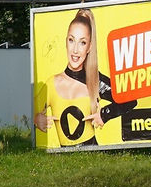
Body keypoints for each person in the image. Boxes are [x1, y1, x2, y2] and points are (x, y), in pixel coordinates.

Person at [33, 8, 136, 146]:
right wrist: (36, 118)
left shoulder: (95, 81)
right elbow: (26, 109)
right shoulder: (52, 83)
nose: (75, 50)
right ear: (66, 42)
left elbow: (130, 99)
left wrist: (105, 114)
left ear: (89, 47)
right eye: (71, 40)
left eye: (82, 43)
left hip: (93, 159)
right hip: (62, 162)